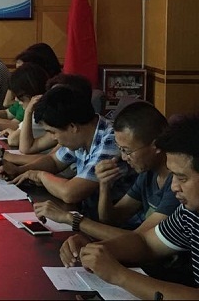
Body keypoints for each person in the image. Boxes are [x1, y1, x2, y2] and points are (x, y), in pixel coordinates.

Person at [60, 115, 199, 299]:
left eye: (182, 178)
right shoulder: (190, 212)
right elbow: (146, 242)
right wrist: (96, 249)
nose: (174, 187)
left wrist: (119, 275)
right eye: (173, 176)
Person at [34, 101, 177, 238]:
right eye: (120, 149)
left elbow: (140, 240)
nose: (124, 157)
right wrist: (104, 185)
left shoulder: (176, 184)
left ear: (156, 146)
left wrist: (70, 218)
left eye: (127, 151)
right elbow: (111, 219)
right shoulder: (148, 173)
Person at [0, 85, 133, 220]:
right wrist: (19, 170)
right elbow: (54, 162)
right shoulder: (81, 134)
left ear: (72, 127)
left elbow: (70, 193)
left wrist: (40, 175)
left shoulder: (111, 139)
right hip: (86, 214)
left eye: (53, 132)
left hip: (111, 224)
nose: (54, 138)